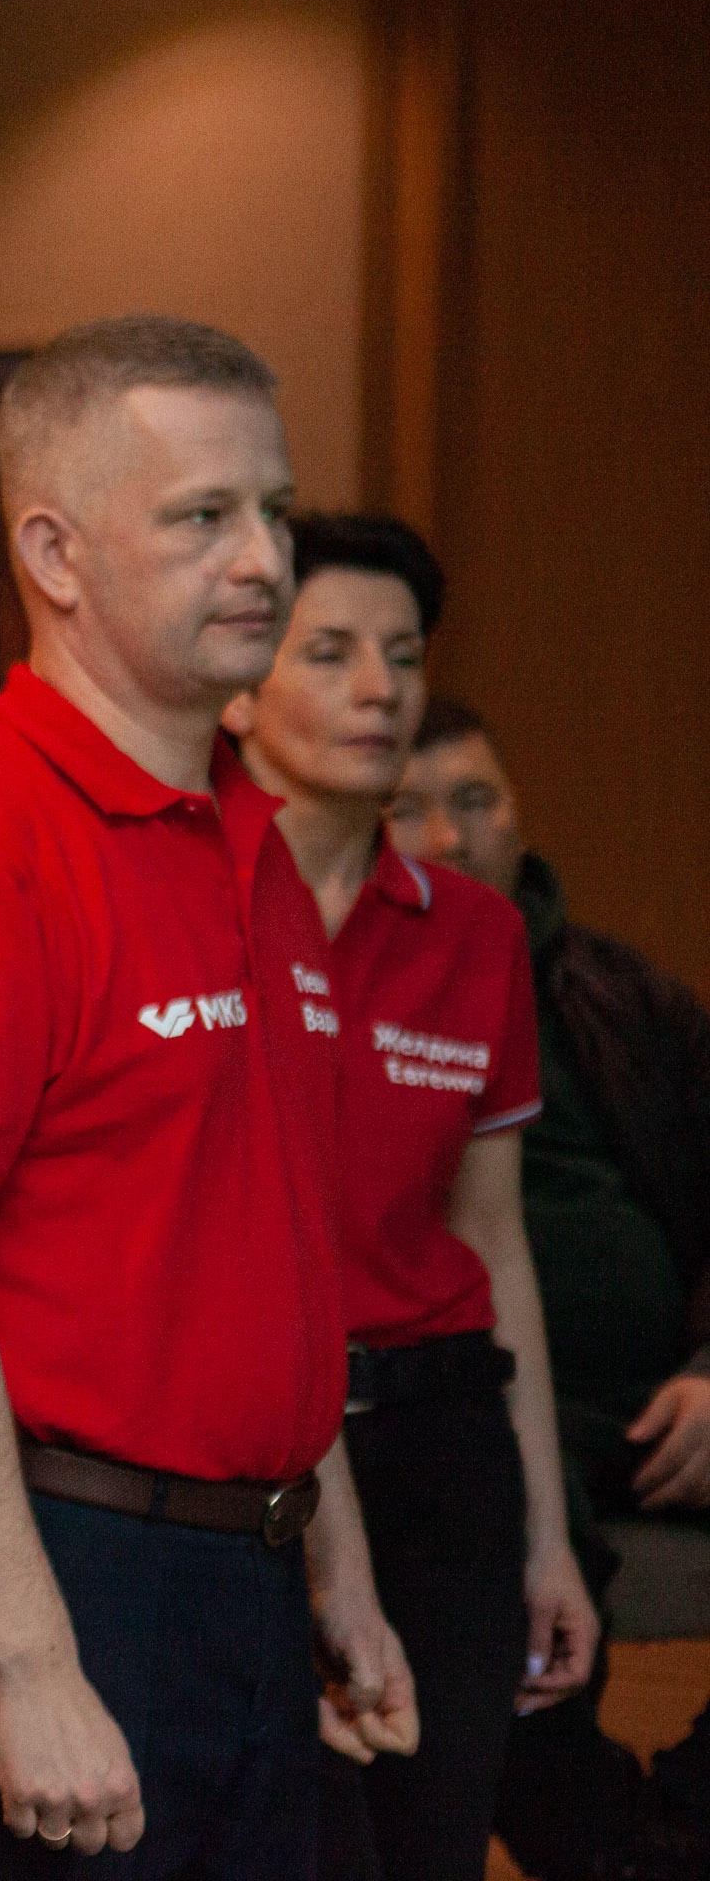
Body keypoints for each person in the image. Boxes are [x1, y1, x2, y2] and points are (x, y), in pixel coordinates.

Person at [0, 315, 416, 1876]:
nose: (265, 561)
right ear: (56, 554)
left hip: (253, 1573)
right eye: (203, 516)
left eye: (275, 510)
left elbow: (269, 1254)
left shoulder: (252, 840)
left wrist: (339, 1574)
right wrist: (32, 1663)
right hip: (62, 1576)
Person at [222, 514, 598, 1879]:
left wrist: (547, 1539)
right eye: (330, 652)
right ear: (243, 683)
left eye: (405, 653)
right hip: (255, 1455)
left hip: (443, 1443)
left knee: (431, 1844)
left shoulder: (477, 934)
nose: (382, 688)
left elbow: (493, 1240)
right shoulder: (191, 901)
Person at [392, 699, 710, 1880]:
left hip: (663, 1391)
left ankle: (685, 1820)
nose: (450, 834)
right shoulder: (355, 992)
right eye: (410, 809)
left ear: (520, 814)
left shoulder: (620, 992)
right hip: (492, 1396)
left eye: (476, 800)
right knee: (514, 1527)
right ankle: (609, 1848)